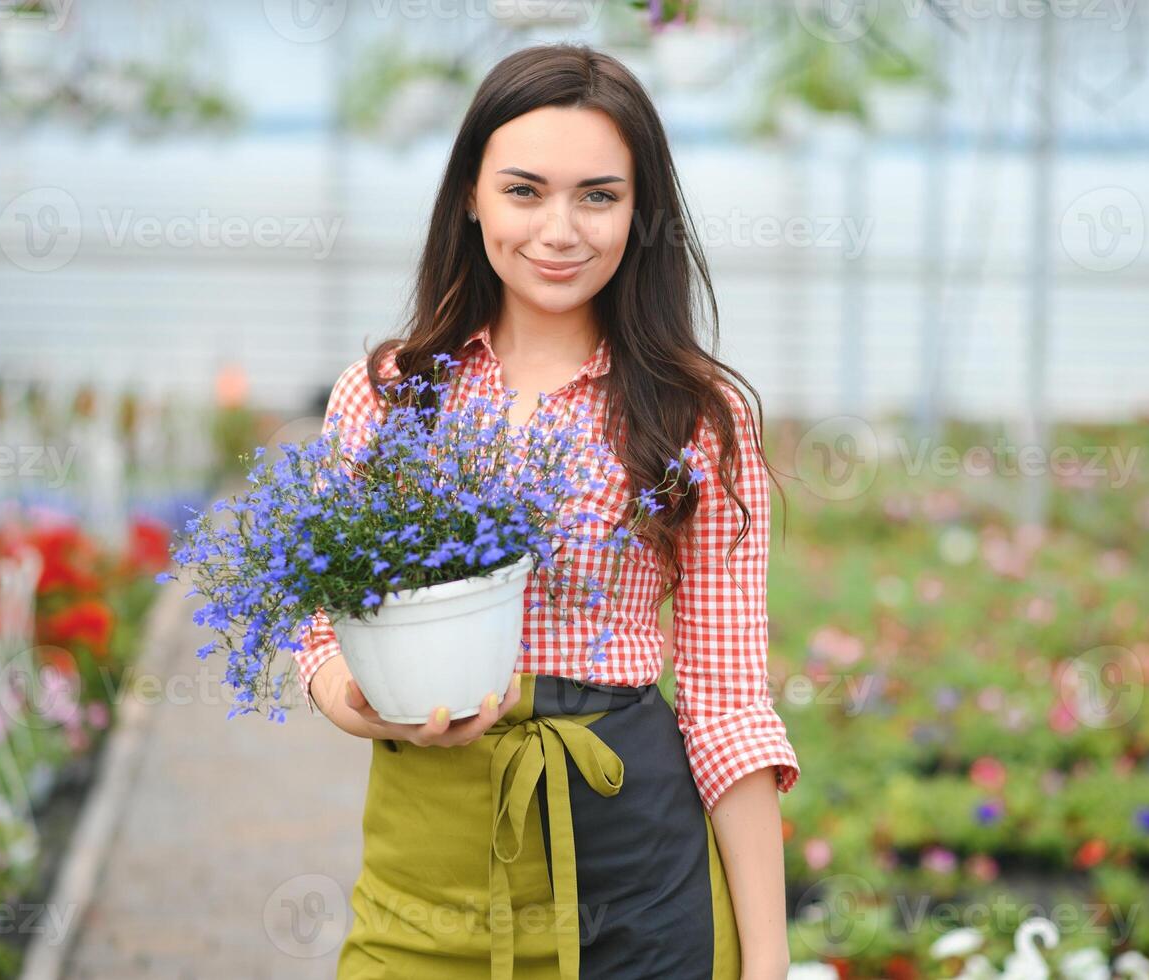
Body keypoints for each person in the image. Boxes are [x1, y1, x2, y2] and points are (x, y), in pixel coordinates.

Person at [293, 42, 801, 980]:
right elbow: (323, 620)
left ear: (641, 213)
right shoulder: (391, 396)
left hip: (634, 871)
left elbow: (729, 705)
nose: (560, 229)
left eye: (598, 196)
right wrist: (351, 698)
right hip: (426, 857)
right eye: (524, 190)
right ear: (470, 198)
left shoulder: (697, 415)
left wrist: (766, 963)